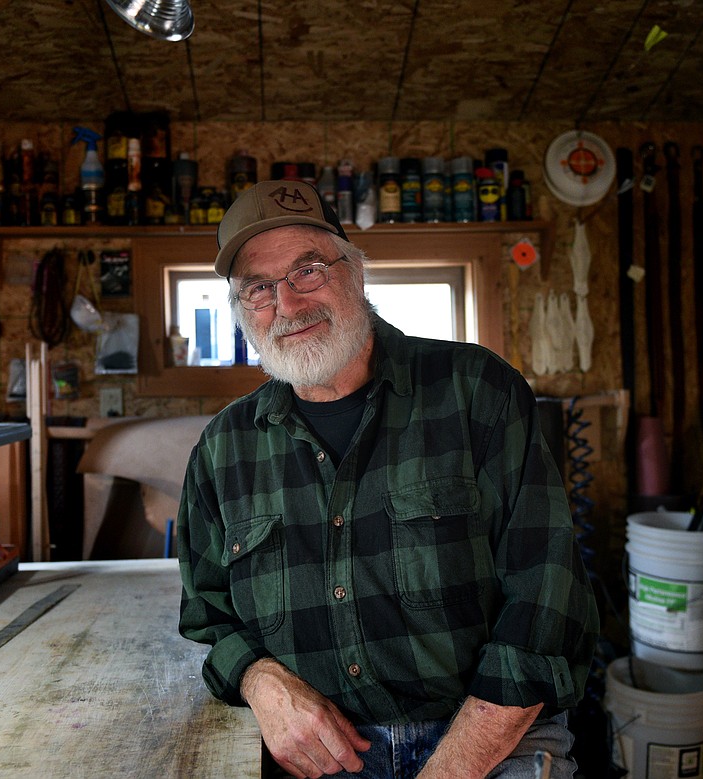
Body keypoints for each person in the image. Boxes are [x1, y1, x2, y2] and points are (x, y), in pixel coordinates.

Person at [177, 179, 598, 779]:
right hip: (322, 757)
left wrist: (452, 766)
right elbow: (207, 616)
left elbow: (547, 604)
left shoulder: (476, 391)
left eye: (308, 271)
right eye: (259, 289)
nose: (288, 305)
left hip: (490, 739)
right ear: (242, 310)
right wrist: (262, 680)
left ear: (354, 272)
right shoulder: (224, 448)